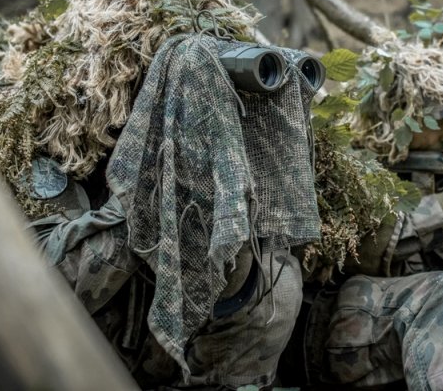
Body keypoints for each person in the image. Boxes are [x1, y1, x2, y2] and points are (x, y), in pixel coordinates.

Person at [24, 33, 324, 389]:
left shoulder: (257, 242)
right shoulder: (55, 157)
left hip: (169, 372)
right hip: (75, 370)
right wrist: (146, 191)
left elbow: (236, 365)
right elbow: (37, 290)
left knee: (272, 275)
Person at [280, 42, 443, 391]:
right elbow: (348, 250)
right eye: (440, 120)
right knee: (440, 290)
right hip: (335, 343)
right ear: (400, 117)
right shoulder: (343, 165)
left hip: (422, 341)